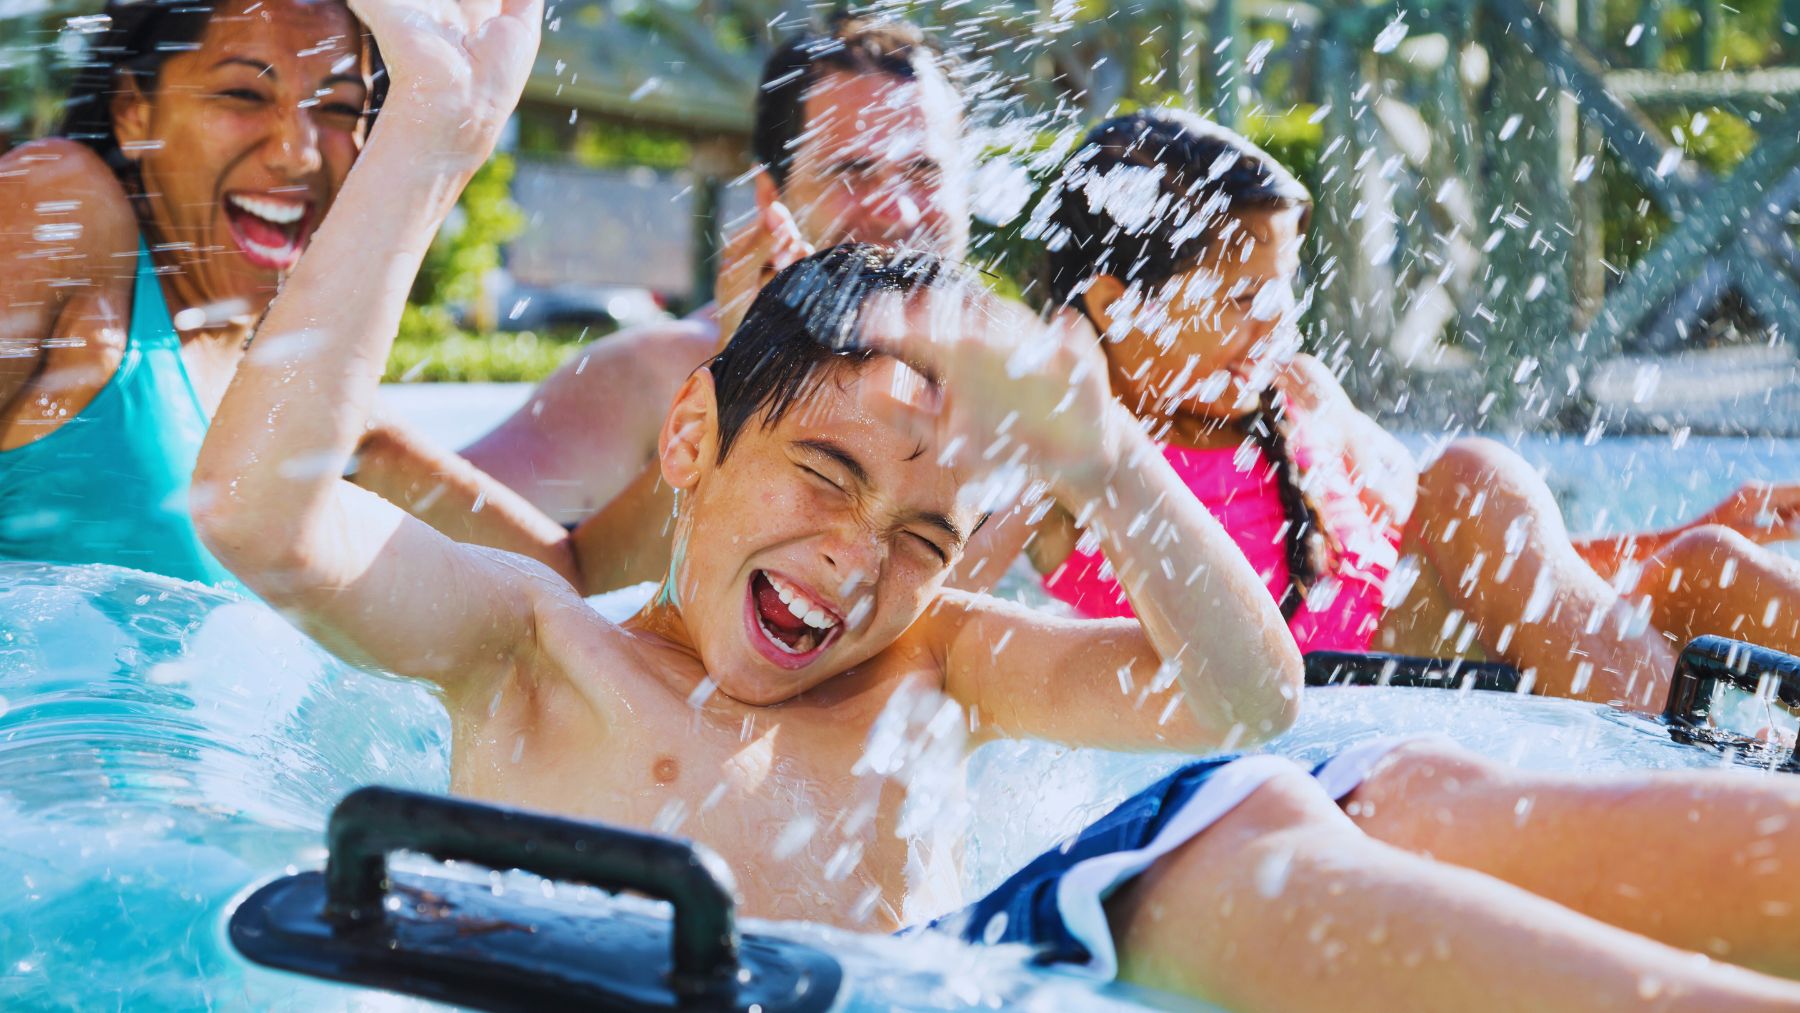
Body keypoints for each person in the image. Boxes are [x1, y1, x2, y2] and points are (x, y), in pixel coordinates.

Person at [193, 11, 1800, 1004]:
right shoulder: (535, 643)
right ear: (690, 443)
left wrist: (1105, 456)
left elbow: (1243, 698)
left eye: (921, 531)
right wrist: (429, 143)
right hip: (964, 950)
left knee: (1358, 810)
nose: (857, 556)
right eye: (826, 478)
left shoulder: (934, 655)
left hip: (1002, 944)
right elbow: (263, 516)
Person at [964, 107, 1800, 712]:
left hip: (1467, 671)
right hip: (1341, 714)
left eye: (1284, 292)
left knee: (1705, 561)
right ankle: (1681, 786)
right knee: (1474, 477)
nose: (1276, 322)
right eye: (1242, 297)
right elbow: (937, 605)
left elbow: (1524, 576)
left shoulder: (1297, 395)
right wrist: (1059, 386)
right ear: (1112, 305)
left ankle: (1707, 769)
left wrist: (1690, 525)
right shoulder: (1068, 456)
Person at [347, 14, 970, 594]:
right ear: (771, 197)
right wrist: (741, 378)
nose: (900, 214)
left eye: (923, 171)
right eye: (852, 173)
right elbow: (384, 522)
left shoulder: (1026, 410)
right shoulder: (652, 377)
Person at [0, 0, 381, 583]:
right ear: (134, 112)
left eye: (338, 108)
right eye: (244, 95)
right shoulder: (61, 210)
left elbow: (544, 582)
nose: (299, 152)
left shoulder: (309, 407)